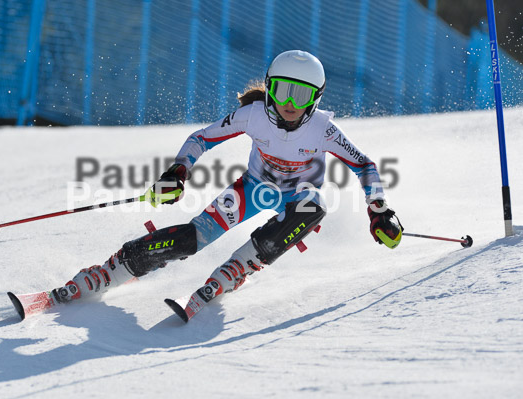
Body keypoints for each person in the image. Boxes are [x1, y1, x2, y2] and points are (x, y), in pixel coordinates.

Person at [52, 50, 403, 315]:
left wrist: (379, 211)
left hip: (298, 196)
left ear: (316, 98)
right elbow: (202, 138)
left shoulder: (322, 129)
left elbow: (364, 165)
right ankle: (112, 269)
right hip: (252, 189)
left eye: (301, 95)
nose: (289, 104)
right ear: (269, 88)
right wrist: (178, 171)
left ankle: (242, 264)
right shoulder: (252, 116)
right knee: (192, 239)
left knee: (314, 206)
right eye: (282, 91)